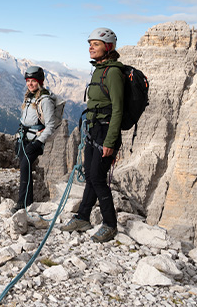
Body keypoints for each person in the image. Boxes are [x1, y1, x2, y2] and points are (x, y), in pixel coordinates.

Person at [61, 27, 125, 243]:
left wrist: (110, 141)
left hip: (106, 131)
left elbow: (118, 109)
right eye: (90, 43)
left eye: (95, 44)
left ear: (108, 47)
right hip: (94, 129)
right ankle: (83, 217)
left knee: (98, 178)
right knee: (90, 175)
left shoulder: (114, 72)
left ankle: (110, 224)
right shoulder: (99, 68)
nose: (90, 47)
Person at [11, 65, 56, 214]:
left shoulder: (45, 100)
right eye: (28, 80)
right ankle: (27, 201)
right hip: (24, 138)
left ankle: (21, 204)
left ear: (40, 81)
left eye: (33, 81)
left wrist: (38, 143)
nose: (30, 83)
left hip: (34, 141)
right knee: (25, 170)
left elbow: (50, 126)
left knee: (25, 169)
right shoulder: (29, 97)